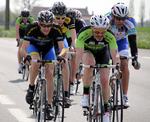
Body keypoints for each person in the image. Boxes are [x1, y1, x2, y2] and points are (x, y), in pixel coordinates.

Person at [21, 10, 66, 120]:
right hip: (34, 47)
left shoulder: (56, 28)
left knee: (50, 73)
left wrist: (61, 55)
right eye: (43, 25)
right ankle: (31, 87)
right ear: (39, 23)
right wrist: (26, 56)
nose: (46, 28)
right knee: (36, 63)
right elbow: (23, 48)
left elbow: (63, 48)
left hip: (48, 49)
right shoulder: (32, 27)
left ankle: (49, 106)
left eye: (49, 25)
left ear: (52, 23)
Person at [74, 14, 121, 122]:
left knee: (105, 79)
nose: (100, 34)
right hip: (87, 51)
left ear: (106, 29)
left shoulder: (110, 36)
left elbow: (115, 55)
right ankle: (85, 95)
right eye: (97, 32)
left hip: (102, 53)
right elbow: (79, 55)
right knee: (89, 63)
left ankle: (105, 111)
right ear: (92, 28)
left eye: (103, 32)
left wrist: (117, 69)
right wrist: (79, 69)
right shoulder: (84, 33)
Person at [105, 2, 141, 107]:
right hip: (107, 43)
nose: (121, 21)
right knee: (105, 66)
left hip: (121, 42)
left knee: (124, 64)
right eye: (118, 18)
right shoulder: (107, 20)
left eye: (123, 18)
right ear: (112, 16)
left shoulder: (130, 21)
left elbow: (133, 42)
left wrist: (135, 58)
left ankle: (124, 96)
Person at [51, 1, 77, 98]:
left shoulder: (69, 19)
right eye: (57, 18)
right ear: (53, 15)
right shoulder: (49, 17)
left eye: (63, 18)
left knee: (65, 61)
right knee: (50, 62)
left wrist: (76, 47)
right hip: (50, 39)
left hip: (62, 39)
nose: (60, 20)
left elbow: (74, 37)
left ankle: (66, 93)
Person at [66, 9, 87, 95]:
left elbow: (80, 39)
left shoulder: (80, 23)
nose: (73, 21)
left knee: (74, 55)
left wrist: (77, 49)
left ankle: (71, 83)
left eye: (75, 20)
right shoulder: (66, 21)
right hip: (65, 37)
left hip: (75, 38)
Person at [15, 8, 35, 73]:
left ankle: (29, 59)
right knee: (20, 47)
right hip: (21, 33)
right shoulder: (19, 19)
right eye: (24, 18)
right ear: (21, 17)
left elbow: (34, 29)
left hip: (28, 33)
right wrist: (18, 37)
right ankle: (19, 64)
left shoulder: (31, 19)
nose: (25, 20)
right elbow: (17, 29)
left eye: (26, 18)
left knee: (30, 46)